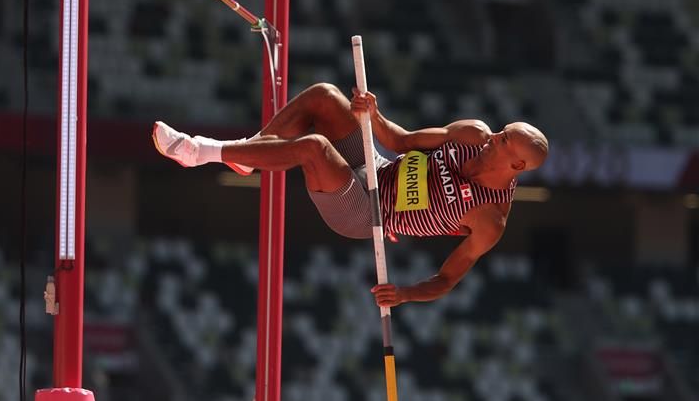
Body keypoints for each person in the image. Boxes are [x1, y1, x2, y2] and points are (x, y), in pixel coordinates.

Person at [152, 83, 548, 308]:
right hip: (375, 167)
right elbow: (401, 140)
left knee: (314, 148)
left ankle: (199, 151)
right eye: (500, 131)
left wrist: (405, 294)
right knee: (324, 95)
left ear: (515, 167)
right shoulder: (473, 134)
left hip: (367, 215)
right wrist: (373, 115)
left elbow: (447, 278)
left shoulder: (489, 219)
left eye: (503, 142)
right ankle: (249, 155)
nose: (492, 137)